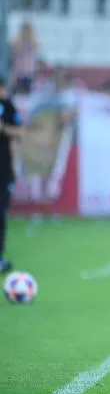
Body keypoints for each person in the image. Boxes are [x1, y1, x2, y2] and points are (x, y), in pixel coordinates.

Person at [0, 78, 24, 273]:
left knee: (1, 214)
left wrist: (4, 129)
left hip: (3, 169)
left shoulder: (7, 106)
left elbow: (21, 131)